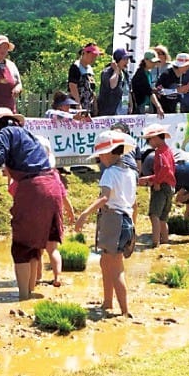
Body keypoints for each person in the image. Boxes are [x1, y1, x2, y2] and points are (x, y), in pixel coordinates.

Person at [0, 107, 64, 300]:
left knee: (22, 245)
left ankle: (24, 296)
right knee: (36, 243)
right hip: (52, 186)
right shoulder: (26, 134)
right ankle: (31, 291)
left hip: (33, 189)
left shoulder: (5, 132)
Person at [75, 130, 136, 317]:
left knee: (116, 267)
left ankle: (125, 312)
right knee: (105, 261)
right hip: (126, 220)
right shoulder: (130, 172)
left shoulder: (110, 173)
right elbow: (134, 202)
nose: (100, 158)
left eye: (101, 155)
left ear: (109, 153)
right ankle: (107, 302)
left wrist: (85, 214)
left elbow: (104, 198)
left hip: (113, 220)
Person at [34, 135, 74, 287]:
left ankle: (37, 277)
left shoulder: (30, 175)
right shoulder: (54, 174)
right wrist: (70, 211)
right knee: (53, 249)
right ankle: (57, 278)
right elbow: (63, 194)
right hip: (53, 215)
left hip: (36, 215)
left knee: (37, 250)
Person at [137, 124, 176, 247]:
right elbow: (170, 170)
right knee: (163, 218)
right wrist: (151, 179)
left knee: (154, 215)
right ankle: (164, 241)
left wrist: (157, 182)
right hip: (170, 186)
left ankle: (155, 243)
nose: (149, 143)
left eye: (149, 140)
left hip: (162, 186)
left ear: (155, 138)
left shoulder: (159, 152)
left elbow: (164, 168)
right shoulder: (168, 150)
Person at [68, 42, 102, 115]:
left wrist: (95, 106)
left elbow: (92, 89)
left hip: (89, 107)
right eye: (92, 55)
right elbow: (72, 86)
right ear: (85, 53)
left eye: (95, 56)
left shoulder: (90, 69)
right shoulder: (75, 67)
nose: (94, 58)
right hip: (77, 107)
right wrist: (78, 104)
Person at [98, 48, 130, 116]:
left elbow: (127, 89)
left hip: (123, 109)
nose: (126, 62)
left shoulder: (125, 73)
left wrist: (130, 104)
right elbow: (112, 85)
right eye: (124, 59)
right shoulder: (107, 72)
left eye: (127, 59)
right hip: (110, 112)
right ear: (117, 60)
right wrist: (116, 70)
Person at [131, 50, 164, 117]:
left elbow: (148, 89)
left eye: (155, 62)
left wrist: (155, 90)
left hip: (148, 105)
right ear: (145, 60)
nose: (154, 64)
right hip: (141, 106)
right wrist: (158, 106)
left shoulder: (148, 73)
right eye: (152, 62)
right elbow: (149, 92)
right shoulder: (140, 75)